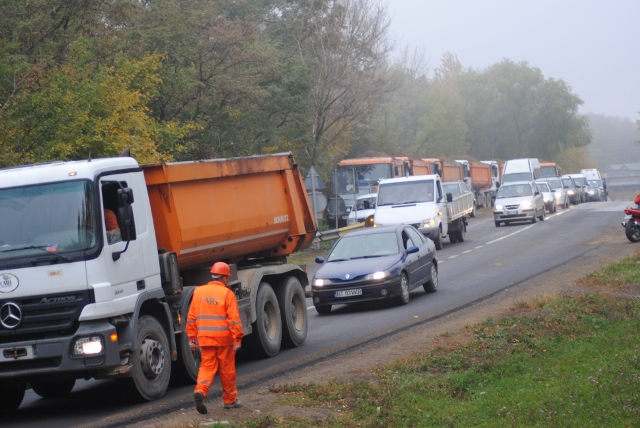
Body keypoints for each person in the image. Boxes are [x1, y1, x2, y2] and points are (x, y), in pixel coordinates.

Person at [187, 262, 244, 414]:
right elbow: (234, 320)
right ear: (224, 278)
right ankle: (230, 400)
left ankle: (200, 390)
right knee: (227, 370)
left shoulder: (198, 292)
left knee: (206, 367)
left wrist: (192, 338)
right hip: (224, 339)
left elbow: (191, 318)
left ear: (212, 275)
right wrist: (237, 338)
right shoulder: (227, 294)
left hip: (205, 338)